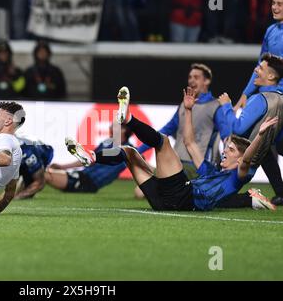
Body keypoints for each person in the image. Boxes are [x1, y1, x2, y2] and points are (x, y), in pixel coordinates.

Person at [66, 87, 277, 211]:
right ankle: (91, 156)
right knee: (128, 152)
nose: (225, 151)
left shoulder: (237, 177)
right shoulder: (211, 172)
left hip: (183, 197)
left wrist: (259, 135)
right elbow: (189, 142)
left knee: (163, 142)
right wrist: (187, 111)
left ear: (239, 159)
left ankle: (128, 118)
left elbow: (248, 159)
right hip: (164, 200)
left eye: (230, 150)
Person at [137, 63, 230, 179]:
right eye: (190, 77)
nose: (191, 81)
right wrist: (138, 150)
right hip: (177, 163)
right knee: (139, 192)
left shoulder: (215, 106)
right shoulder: (184, 105)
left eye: (196, 77)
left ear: (207, 81)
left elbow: (227, 137)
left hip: (198, 166)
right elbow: (164, 132)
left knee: (152, 192)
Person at [219, 53, 283, 205]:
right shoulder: (280, 98)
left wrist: (226, 105)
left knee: (210, 197)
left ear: (271, 76)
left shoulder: (259, 99)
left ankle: (252, 199)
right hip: (253, 162)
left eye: (260, 68)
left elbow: (238, 128)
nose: (255, 70)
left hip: (239, 164)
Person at [47, 123, 133, 193]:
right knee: (46, 173)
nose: (110, 127)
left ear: (123, 130)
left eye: (114, 125)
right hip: (82, 175)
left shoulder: (129, 151)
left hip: (89, 182)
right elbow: (89, 159)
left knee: (46, 174)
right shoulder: (107, 143)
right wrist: (62, 167)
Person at [0, 134, 54, 200]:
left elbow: (39, 182)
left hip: (42, 153)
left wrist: (16, 198)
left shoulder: (27, 152)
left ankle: (53, 171)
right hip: (21, 156)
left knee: (29, 186)